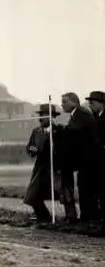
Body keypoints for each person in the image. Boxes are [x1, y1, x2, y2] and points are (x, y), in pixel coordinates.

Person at [24, 103, 76, 225]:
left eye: (43, 115)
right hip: (41, 169)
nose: (40, 118)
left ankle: (71, 219)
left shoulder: (61, 130)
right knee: (32, 195)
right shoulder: (36, 131)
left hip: (58, 168)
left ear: (51, 117)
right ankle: (44, 217)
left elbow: (67, 149)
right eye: (39, 115)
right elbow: (30, 146)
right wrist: (32, 149)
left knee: (65, 194)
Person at [61, 92, 102, 225]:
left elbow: (74, 132)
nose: (62, 105)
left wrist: (60, 131)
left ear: (73, 102)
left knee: (87, 188)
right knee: (84, 187)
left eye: (64, 102)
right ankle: (87, 218)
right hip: (85, 160)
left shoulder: (82, 113)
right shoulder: (78, 114)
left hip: (90, 159)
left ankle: (90, 218)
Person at [85, 91, 105, 235]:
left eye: (92, 102)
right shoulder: (96, 117)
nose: (90, 105)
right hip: (98, 163)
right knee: (100, 193)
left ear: (101, 103)